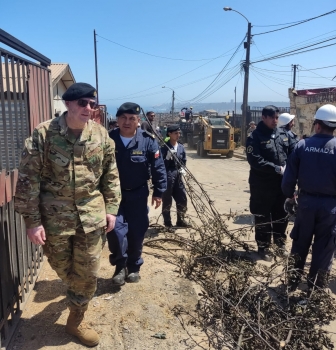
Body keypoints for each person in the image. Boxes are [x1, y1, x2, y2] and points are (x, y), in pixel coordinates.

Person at [14, 83, 121, 347]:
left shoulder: (100, 135)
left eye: (92, 104)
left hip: (91, 217)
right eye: (83, 103)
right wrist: (32, 221)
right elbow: (29, 179)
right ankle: (77, 291)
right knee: (63, 268)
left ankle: (76, 319)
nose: (88, 108)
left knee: (88, 273)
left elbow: (110, 174)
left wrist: (112, 209)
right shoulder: (44, 134)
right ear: (68, 104)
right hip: (55, 219)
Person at [108, 102, 167, 286]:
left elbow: (158, 167)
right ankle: (120, 266)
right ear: (117, 120)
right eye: (123, 118)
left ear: (138, 121)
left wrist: (159, 191)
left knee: (136, 232)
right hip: (113, 196)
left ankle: (134, 267)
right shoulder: (108, 140)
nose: (127, 122)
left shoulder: (148, 141)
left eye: (131, 118)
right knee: (115, 231)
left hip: (138, 195)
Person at [282, 104, 336, 292]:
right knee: (324, 248)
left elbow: (288, 180)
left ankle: (292, 283)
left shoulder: (302, 146)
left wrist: (290, 196)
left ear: (318, 125)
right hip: (330, 207)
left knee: (300, 243)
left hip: (305, 204)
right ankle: (316, 289)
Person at [246, 105, 291, 261]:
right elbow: (255, 160)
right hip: (262, 186)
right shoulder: (255, 137)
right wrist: (277, 168)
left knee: (281, 216)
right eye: (272, 117)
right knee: (263, 216)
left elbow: (292, 153)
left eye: (277, 117)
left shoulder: (282, 134)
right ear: (263, 117)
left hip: (281, 186)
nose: (275, 120)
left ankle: (280, 245)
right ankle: (263, 247)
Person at [161, 125, 189, 228]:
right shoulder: (164, 147)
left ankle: (180, 220)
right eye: (175, 133)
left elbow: (184, 160)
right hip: (168, 176)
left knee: (182, 198)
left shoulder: (181, 147)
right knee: (167, 200)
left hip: (178, 175)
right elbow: (160, 164)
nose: (178, 135)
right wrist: (167, 158)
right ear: (169, 134)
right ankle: (168, 223)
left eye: (179, 133)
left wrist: (183, 168)